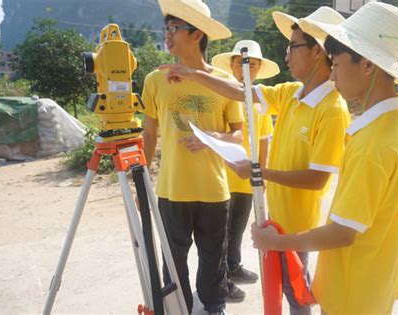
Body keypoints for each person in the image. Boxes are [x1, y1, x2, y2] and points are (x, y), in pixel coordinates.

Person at [159, 7, 350, 314]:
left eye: (294, 46)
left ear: (318, 52)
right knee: (280, 288)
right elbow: (241, 92)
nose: (287, 55)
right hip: (277, 217)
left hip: (299, 226)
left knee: (297, 293)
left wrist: (260, 172)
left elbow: (318, 179)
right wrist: (196, 74)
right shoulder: (291, 93)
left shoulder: (332, 109)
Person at [252, 2, 398, 314]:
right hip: (375, 284)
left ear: (368, 65)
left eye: (337, 62)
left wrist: (275, 243)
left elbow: (342, 233)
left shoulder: (372, 144)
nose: (333, 72)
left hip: (350, 294)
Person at [141, 1, 244, 314]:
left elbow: (239, 135)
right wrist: (141, 183)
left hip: (214, 190)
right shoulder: (155, 80)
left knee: (214, 259)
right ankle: (179, 309)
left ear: (197, 33)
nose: (167, 36)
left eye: (173, 29)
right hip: (172, 190)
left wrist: (212, 138)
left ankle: (214, 306)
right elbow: (148, 135)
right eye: (166, 29)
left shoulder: (223, 81)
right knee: (173, 262)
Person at [211, 40, 279, 302]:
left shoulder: (261, 99)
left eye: (253, 64)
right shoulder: (223, 94)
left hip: (248, 177)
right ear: (232, 65)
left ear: (260, 68)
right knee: (220, 232)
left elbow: (263, 140)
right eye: (242, 63)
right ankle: (221, 280)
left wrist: (262, 175)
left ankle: (234, 266)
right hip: (224, 175)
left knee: (237, 228)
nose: (246, 68)